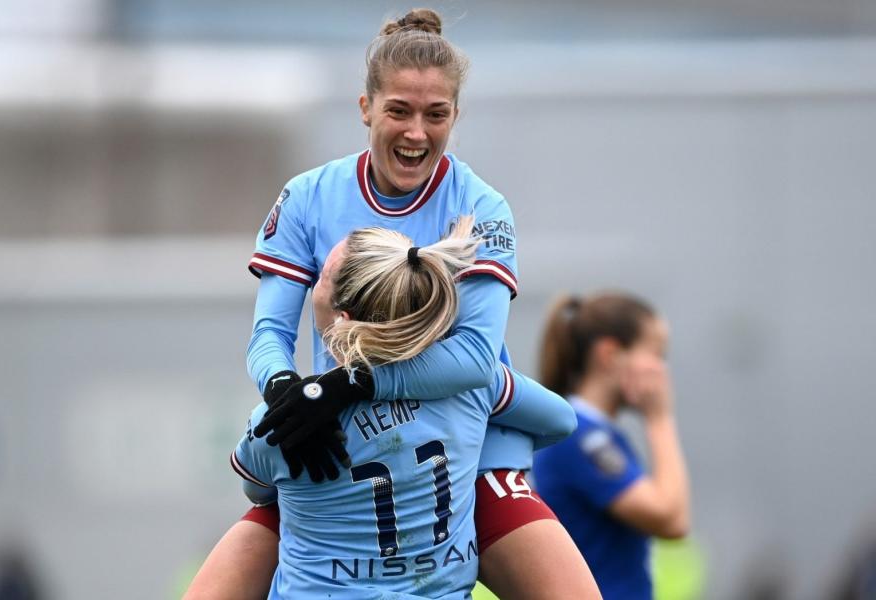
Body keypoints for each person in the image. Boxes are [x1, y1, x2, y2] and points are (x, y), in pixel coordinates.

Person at [185, 8, 599, 599]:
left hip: (469, 447)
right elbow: (269, 334)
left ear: (456, 115)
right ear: (365, 109)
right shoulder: (308, 197)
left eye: (437, 115)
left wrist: (346, 385)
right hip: (342, 438)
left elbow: (475, 359)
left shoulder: (481, 205)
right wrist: (288, 396)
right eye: (399, 110)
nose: (416, 132)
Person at [224, 220, 583, 598]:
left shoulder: (281, 423)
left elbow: (258, 493)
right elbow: (560, 420)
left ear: (342, 321)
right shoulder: (474, 387)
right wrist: (470, 458)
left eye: (322, 277)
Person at [532, 292, 691, 600]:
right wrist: (659, 419)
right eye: (656, 354)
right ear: (610, 355)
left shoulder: (594, 432)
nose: (662, 371)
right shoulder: (580, 437)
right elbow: (671, 518)